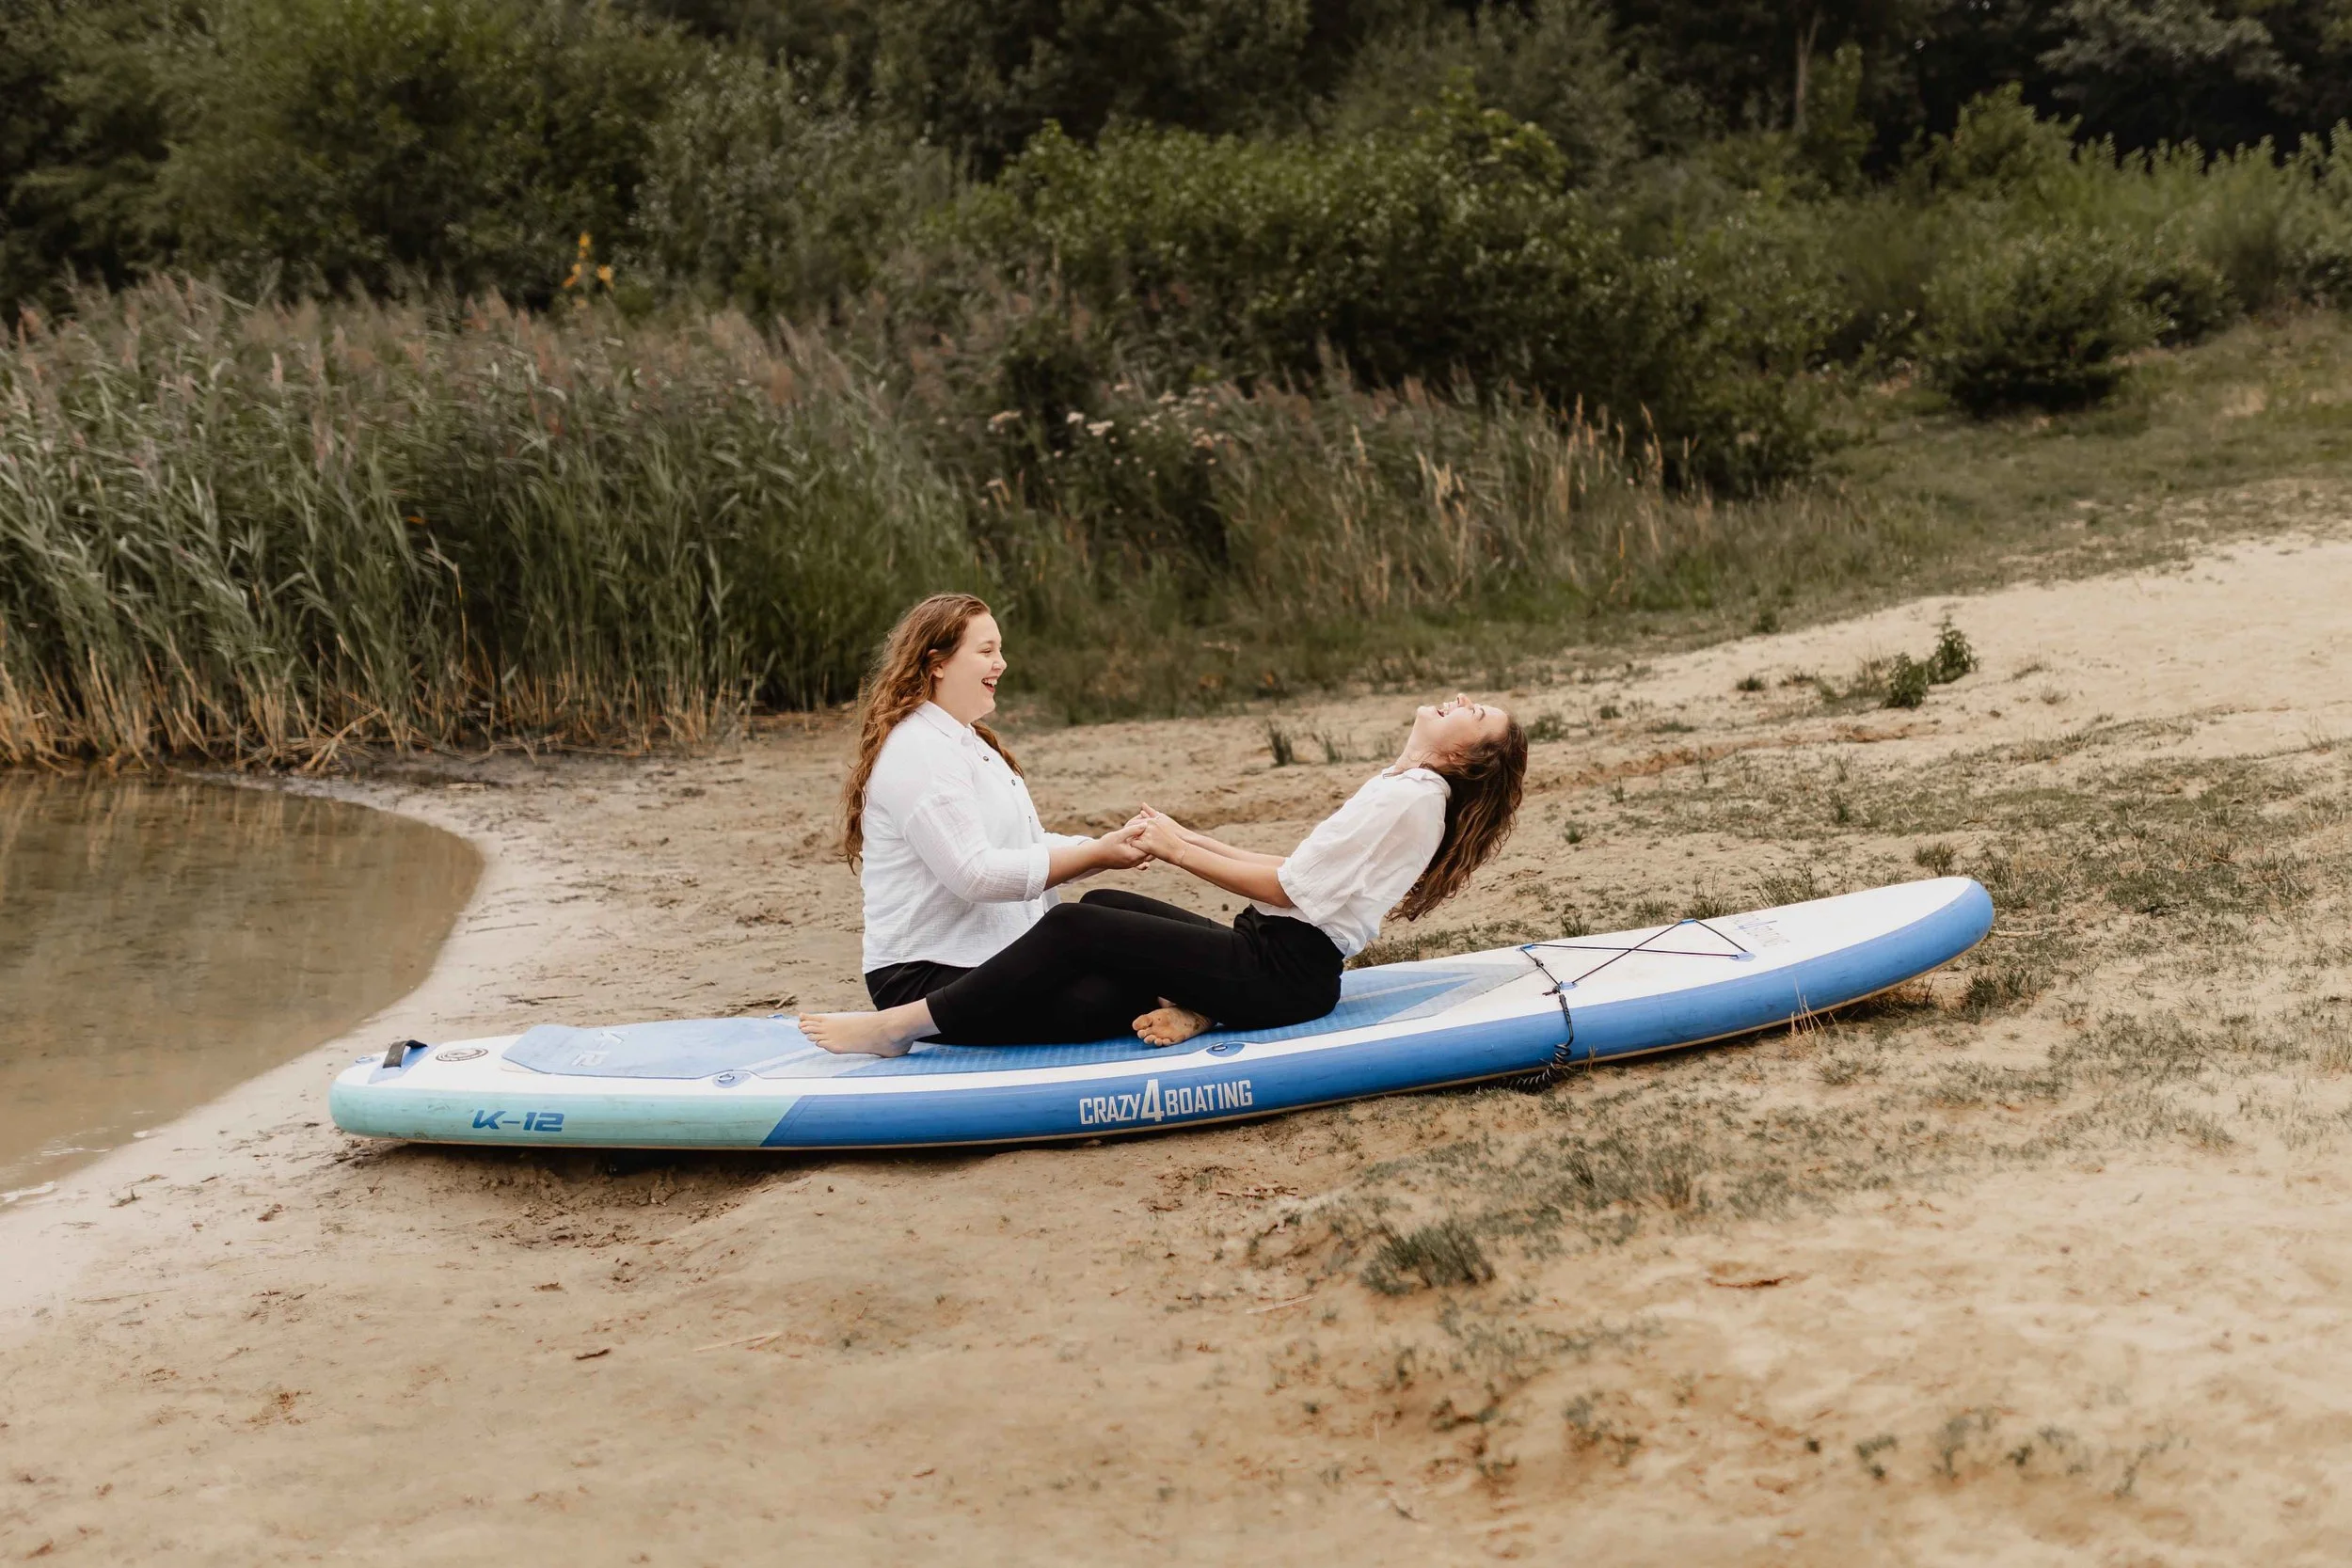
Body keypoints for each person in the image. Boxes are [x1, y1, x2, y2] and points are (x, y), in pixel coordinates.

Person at [803, 694, 1527, 1054]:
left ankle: (902, 1024)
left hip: (1282, 973)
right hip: (1273, 962)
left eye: (1477, 714)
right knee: (1109, 897)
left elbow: (1286, 890)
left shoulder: (1412, 799)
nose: (1461, 700)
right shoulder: (1405, 791)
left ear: (1467, 759)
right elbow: (1296, 869)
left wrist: (1180, 851)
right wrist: (1188, 835)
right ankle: (1205, 1006)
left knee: (1075, 922)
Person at [843, 593, 1150, 1014]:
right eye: (986, 651)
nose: (1001, 662)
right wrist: (1098, 853)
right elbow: (975, 876)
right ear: (938, 664)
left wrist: (1107, 847)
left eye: (999, 650)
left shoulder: (968, 741)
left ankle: (1223, 973)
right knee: (1126, 987)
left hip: (994, 960)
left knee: (1111, 913)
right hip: (924, 976)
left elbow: (1028, 842)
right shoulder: (921, 751)